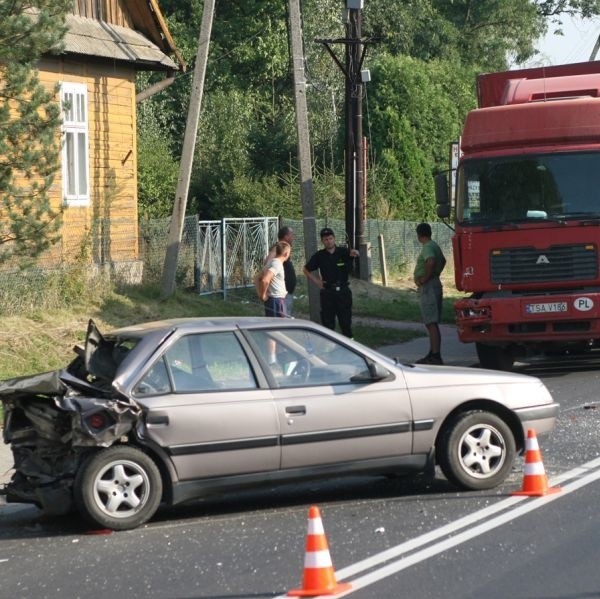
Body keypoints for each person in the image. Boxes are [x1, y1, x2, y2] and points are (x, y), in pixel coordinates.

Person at [303, 227, 359, 338]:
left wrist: (355, 253)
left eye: (330, 238)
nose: (328, 241)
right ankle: (330, 349)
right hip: (328, 292)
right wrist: (317, 281)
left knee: (346, 322)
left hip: (343, 292)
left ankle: (350, 347)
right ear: (322, 241)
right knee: (328, 324)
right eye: (326, 239)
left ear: (334, 239)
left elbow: (354, 254)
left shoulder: (343, 252)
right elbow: (306, 269)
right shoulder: (319, 256)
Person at [413, 222, 446, 365]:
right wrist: (436, 273)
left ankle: (435, 355)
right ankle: (433, 352)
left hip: (429, 287)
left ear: (419, 235)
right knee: (432, 322)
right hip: (434, 284)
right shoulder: (434, 245)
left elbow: (430, 261)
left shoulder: (427, 247)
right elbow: (443, 260)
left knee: (430, 322)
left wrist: (425, 278)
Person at [265, 226, 297, 316]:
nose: (293, 237)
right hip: (280, 296)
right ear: (286, 237)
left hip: (285, 294)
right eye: (292, 235)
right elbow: (267, 263)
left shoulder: (283, 248)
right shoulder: (277, 248)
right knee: (282, 323)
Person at [256, 241, 291, 318]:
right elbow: (265, 280)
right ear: (286, 254)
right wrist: (262, 295)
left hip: (274, 301)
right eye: (289, 252)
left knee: (274, 326)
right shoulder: (277, 264)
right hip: (277, 301)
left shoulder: (271, 262)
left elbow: (257, 278)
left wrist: (261, 294)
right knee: (279, 327)